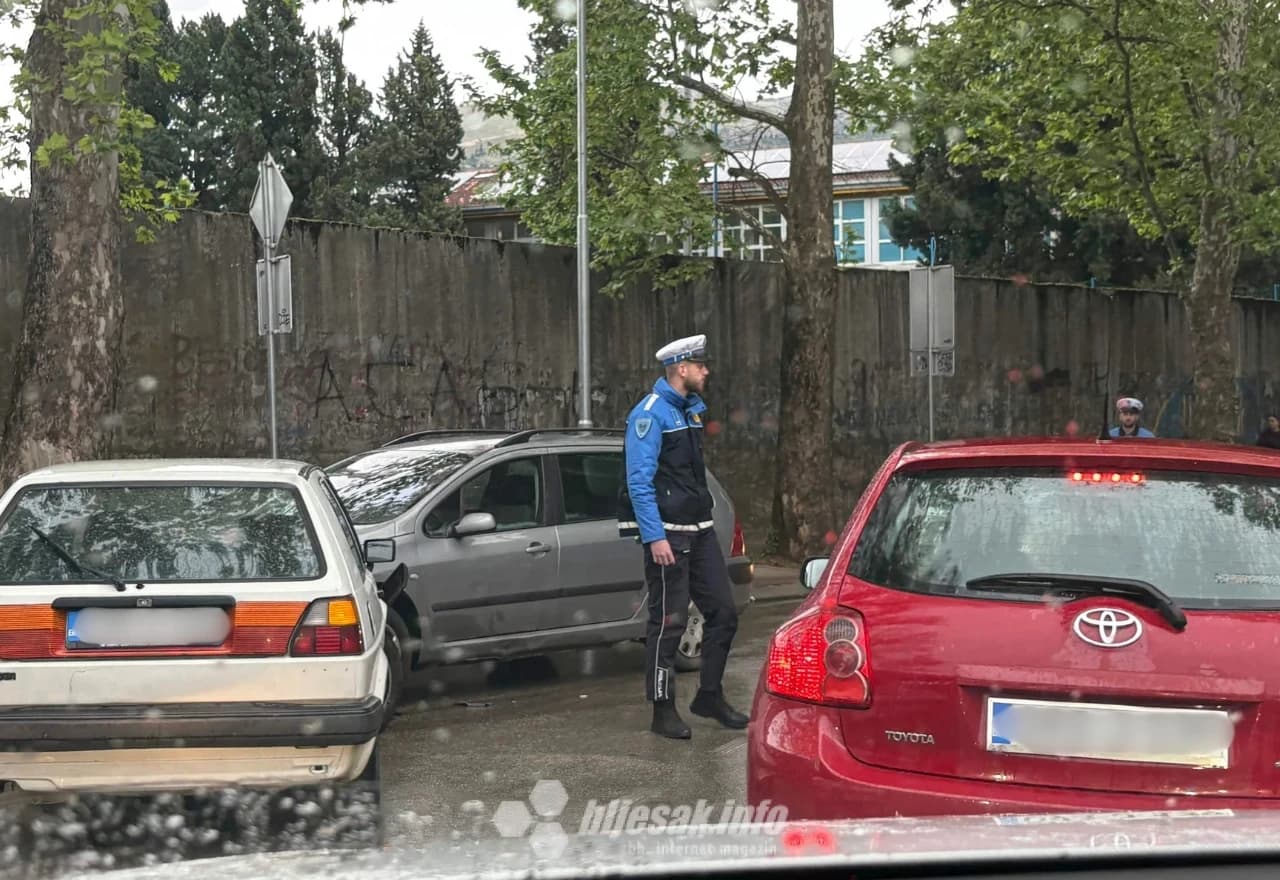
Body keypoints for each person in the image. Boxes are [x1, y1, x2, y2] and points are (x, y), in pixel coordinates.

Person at [617, 333, 747, 740]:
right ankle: (662, 709)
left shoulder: (689, 412)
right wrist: (654, 537)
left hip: (701, 531)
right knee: (668, 624)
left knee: (723, 614)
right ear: (681, 369)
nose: (706, 371)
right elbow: (638, 482)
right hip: (668, 537)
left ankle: (709, 695)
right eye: (701, 365)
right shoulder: (650, 415)